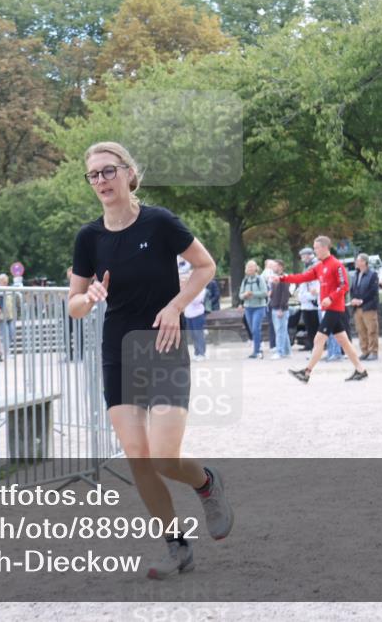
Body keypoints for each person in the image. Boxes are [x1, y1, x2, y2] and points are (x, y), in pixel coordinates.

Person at [69, 141, 233, 579]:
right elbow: (74, 304)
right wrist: (88, 297)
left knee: (163, 456)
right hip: (118, 351)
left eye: (108, 171)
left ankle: (205, 483)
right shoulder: (89, 237)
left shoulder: (159, 222)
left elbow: (204, 266)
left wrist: (176, 306)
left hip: (163, 345)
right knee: (138, 457)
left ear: (128, 173)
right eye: (94, 175)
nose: (101, 181)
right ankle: (177, 547)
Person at [277, 235, 369, 383]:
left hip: (334, 308)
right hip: (329, 308)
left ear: (325, 248)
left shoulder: (336, 264)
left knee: (319, 339)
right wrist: (283, 279)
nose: (314, 251)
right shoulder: (319, 266)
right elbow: (303, 277)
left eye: (316, 248)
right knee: (344, 341)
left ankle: (306, 373)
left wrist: (330, 298)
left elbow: (344, 285)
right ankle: (361, 370)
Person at [349, 253, 380, 360]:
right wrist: (353, 299)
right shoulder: (356, 274)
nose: (356, 263)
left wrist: (361, 300)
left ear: (364, 262)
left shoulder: (372, 275)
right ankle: (365, 351)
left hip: (368, 307)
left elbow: (373, 291)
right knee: (361, 330)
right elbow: (353, 289)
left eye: (358, 260)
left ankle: (373, 351)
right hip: (357, 308)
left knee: (371, 330)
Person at [239, 260, 268, 359]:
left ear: (256, 268)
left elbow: (264, 293)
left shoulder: (260, 279)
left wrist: (253, 294)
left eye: (252, 267)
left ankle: (257, 351)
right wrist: (244, 295)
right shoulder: (245, 280)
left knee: (256, 328)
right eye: (248, 267)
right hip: (248, 308)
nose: (250, 269)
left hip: (259, 307)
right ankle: (257, 349)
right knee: (252, 330)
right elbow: (240, 295)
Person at [295, 247, 320, 352]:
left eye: (303, 256)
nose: (302, 259)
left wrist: (310, 295)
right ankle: (311, 344)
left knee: (314, 326)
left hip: (313, 301)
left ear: (309, 255)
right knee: (309, 326)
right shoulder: (307, 266)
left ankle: (316, 347)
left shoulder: (315, 265)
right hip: (306, 301)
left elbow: (315, 284)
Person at [268, 260, 291, 360]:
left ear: (281, 267)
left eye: (275, 266)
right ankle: (287, 350)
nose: (273, 268)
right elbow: (275, 293)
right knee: (282, 330)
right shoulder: (275, 279)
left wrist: (281, 308)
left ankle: (280, 351)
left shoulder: (284, 278)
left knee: (280, 330)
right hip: (275, 306)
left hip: (281, 308)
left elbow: (285, 294)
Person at [182, 273, 208, 361]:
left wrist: (187, 291)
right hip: (188, 315)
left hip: (198, 314)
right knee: (193, 335)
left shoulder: (200, 288)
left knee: (198, 334)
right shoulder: (184, 289)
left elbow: (196, 301)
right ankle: (197, 352)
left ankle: (202, 353)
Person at [0, 274, 17, 359]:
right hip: (1, 317)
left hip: (10, 316)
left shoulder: (8, 290)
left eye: (6, 282)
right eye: (3, 282)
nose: (5, 283)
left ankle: (5, 351)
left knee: (11, 333)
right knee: (5, 335)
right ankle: (6, 353)